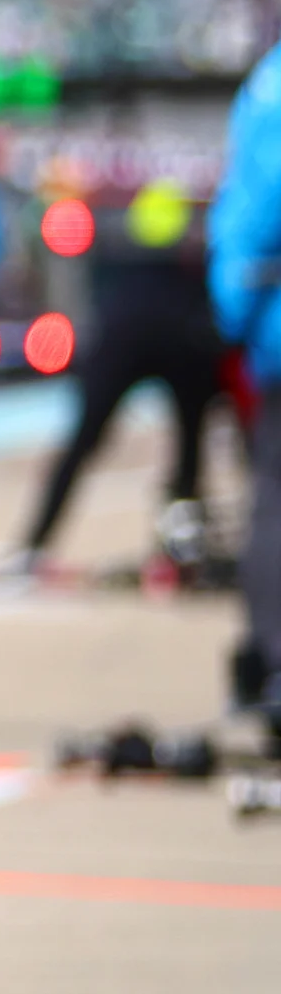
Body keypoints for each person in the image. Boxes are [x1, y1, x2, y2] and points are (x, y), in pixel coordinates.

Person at [18, 178, 223, 574]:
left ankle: (34, 544)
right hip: (175, 337)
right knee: (189, 449)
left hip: (131, 337)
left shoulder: (124, 264)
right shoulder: (187, 264)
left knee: (86, 442)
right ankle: (184, 549)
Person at [204, 49, 281, 740]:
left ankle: (275, 664)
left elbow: (255, 211)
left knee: (276, 507)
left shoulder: (272, 84)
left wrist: (233, 317)